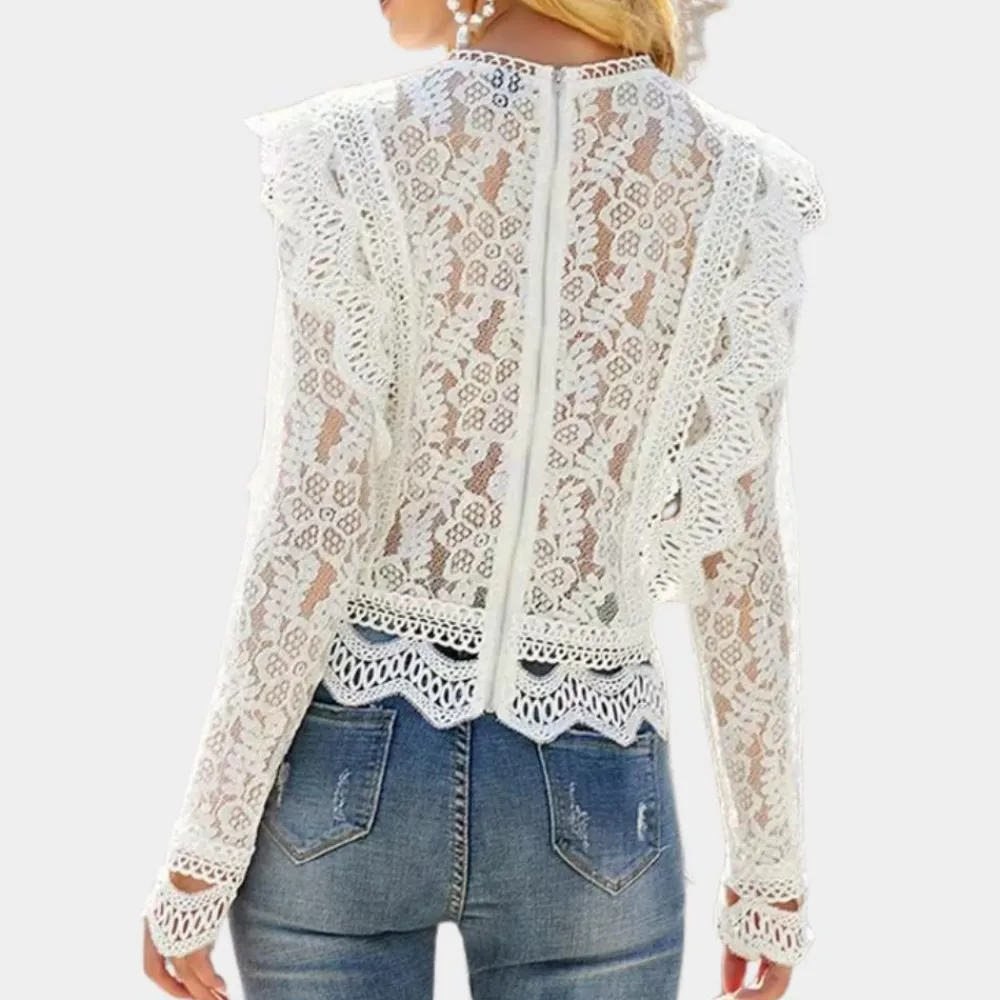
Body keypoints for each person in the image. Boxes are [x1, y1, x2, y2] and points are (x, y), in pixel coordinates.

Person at [141, 2, 826, 998]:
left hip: (347, 768)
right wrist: (768, 876)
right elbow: (739, 554)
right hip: (595, 781)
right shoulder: (740, 187)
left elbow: (313, 517)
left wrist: (205, 845)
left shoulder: (351, 150)